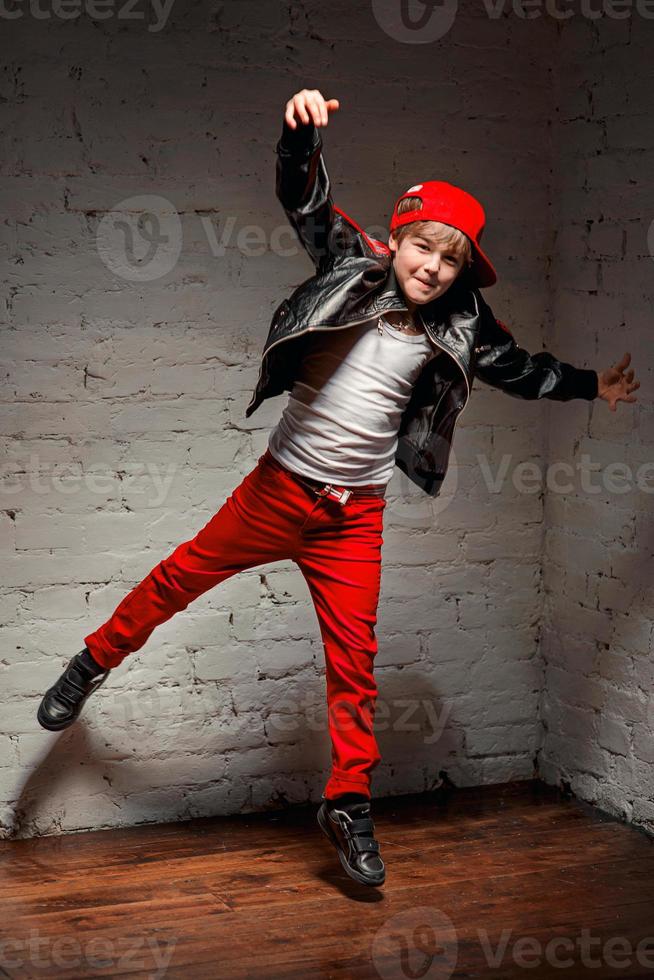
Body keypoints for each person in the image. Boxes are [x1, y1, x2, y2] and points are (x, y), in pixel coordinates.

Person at [37, 88, 640, 887]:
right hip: (278, 491)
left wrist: (594, 386)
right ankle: (92, 661)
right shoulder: (351, 264)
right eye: (423, 246)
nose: (432, 266)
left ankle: (348, 802)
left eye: (451, 258)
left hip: (352, 518)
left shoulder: (460, 322)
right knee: (180, 576)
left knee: (354, 663)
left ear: (464, 271)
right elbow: (305, 200)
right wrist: (300, 137)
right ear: (395, 239)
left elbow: (520, 369)